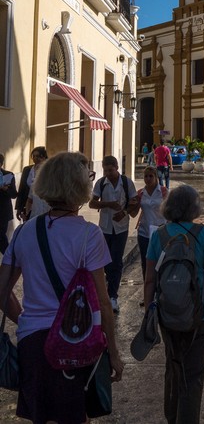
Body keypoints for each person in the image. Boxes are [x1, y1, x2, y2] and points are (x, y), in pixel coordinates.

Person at [0, 151, 124, 424]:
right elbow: (104, 303)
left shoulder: (24, 232)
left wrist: (24, 319)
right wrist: (113, 353)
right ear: (78, 186)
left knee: (41, 418)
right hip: (74, 342)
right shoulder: (89, 236)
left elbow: (2, 291)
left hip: (32, 342)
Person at [144, 184, 204, 424]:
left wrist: (150, 313)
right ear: (194, 208)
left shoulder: (159, 235)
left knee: (173, 365)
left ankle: (172, 417)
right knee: (194, 373)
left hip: (168, 314)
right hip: (201, 314)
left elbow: (150, 279)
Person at [89, 155, 139, 313]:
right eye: (105, 170)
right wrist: (108, 204)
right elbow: (92, 203)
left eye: (110, 170)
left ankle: (112, 296)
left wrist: (123, 213)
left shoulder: (126, 183)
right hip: (104, 227)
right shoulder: (101, 184)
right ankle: (104, 292)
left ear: (116, 168)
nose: (108, 174)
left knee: (116, 261)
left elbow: (134, 202)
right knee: (105, 261)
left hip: (121, 228)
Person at [135, 166, 168, 281]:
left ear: (156, 177)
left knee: (161, 262)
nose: (148, 179)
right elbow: (134, 213)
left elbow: (169, 210)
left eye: (151, 176)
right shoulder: (140, 193)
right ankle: (148, 291)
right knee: (146, 263)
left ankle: (161, 290)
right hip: (144, 232)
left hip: (161, 231)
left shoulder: (163, 191)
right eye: (146, 176)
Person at [15, 146, 48, 220]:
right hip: (28, 205)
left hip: (44, 206)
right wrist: (19, 208)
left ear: (44, 157)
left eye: (38, 156)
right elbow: (22, 189)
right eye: (34, 156)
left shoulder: (49, 170)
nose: (35, 158)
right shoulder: (27, 170)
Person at [0, 153, 17, 254]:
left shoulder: (8, 175)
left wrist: (5, 189)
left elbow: (14, 194)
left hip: (3, 211)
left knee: (1, 235)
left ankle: (8, 256)